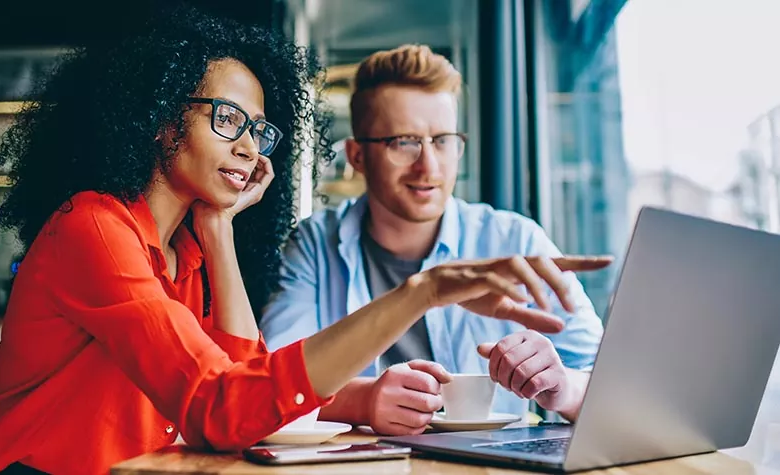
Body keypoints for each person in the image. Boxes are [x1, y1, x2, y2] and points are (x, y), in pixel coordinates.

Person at [0, 9, 609, 474]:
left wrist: (220, 228)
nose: (245, 146)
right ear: (158, 118)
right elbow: (223, 407)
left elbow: (243, 393)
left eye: (257, 129)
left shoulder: (188, 251)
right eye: (226, 118)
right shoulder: (95, 228)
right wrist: (421, 293)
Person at [259, 44, 608, 436]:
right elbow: (268, 384)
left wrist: (562, 388)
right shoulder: (314, 245)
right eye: (403, 142)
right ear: (357, 156)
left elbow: (611, 384)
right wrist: (364, 400)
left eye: (442, 140)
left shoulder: (515, 239)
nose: (429, 165)